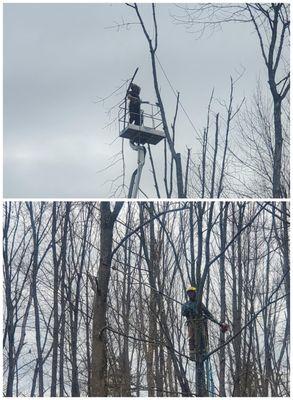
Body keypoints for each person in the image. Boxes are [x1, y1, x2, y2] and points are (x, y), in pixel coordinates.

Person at [182, 286, 229, 361]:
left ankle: (204, 352)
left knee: (203, 337)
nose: (190, 295)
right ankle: (192, 354)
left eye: (192, 293)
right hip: (191, 323)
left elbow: (208, 314)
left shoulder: (199, 304)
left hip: (201, 323)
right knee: (191, 338)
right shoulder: (186, 305)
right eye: (189, 293)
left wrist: (217, 322)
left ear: (195, 293)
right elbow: (183, 313)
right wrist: (188, 310)